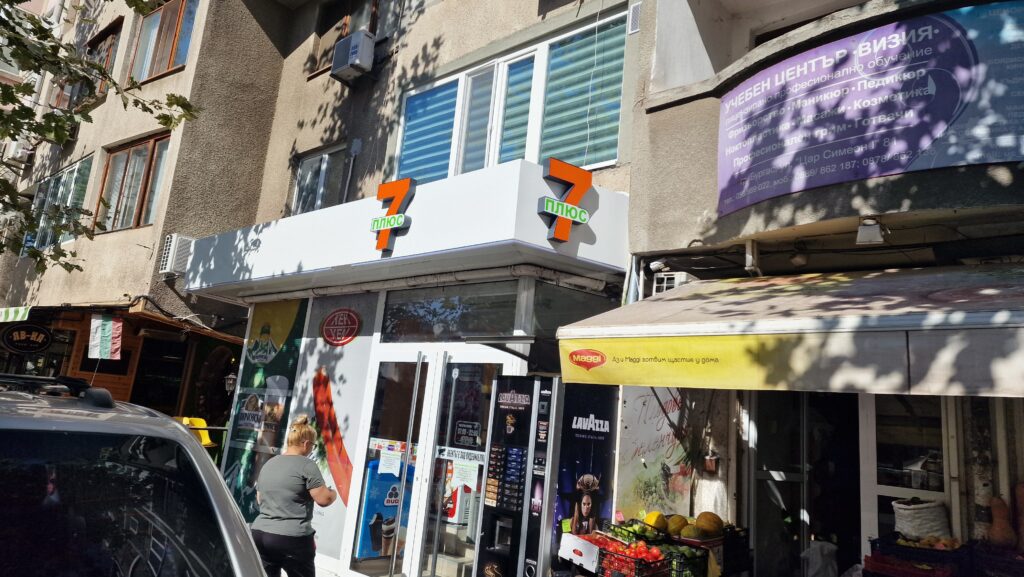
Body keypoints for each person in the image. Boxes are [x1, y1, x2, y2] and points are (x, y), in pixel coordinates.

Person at [251, 415, 337, 577]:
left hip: (260, 534)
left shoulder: (269, 463)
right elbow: (324, 499)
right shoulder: (306, 465)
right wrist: (333, 493)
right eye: (313, 445)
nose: (312, 449)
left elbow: (259, 498)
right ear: (306, 444)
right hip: (292, 539)